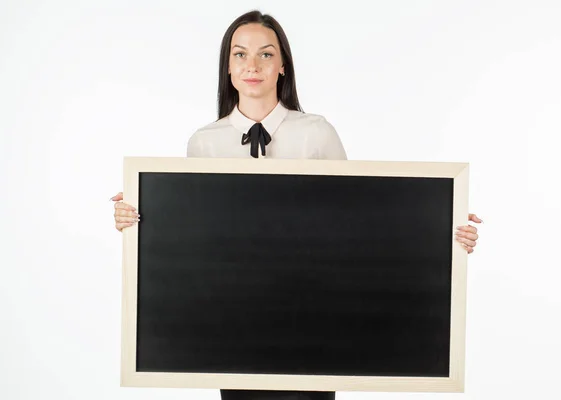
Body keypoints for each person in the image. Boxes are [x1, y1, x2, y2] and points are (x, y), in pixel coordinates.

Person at [110, 9, 482, 400]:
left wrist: (444, 226)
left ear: (283, 65)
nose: (252, 65)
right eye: (240, 54)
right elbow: (191, 237)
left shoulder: (315, 133)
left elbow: (363, 220)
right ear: (228, 66)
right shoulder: (204, 142)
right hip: (233, 329)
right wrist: (137, 217)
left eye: (265, 54)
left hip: (314, 326)